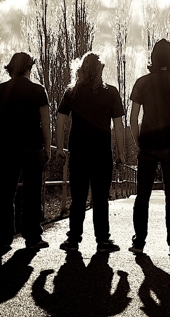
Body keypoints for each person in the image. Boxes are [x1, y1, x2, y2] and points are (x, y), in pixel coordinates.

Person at [129, 39, 170, 255]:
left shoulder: (142, 82)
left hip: (147, 144)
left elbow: (133, 118)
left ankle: (139, 242)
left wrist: (138, 142)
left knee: (143, 195)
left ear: (153, 58)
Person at [56, 52, 125, 253]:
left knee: (78, 197)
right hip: (102, 152)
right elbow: (119, 126)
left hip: (78, 151)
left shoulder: (72, 92)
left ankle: (73, 239)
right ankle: (103, 240)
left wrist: (60, 148)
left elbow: (60, 121)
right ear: (100, 69)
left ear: (81, 69)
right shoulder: (111, 92)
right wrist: (120, 153)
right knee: (100, 197)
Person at [0, 52, 51, 249]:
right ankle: (32, 236)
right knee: (32, 193)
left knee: (6, 192)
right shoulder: (38, 90)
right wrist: (47, 147)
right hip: (33, 147)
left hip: (8, 147)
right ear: (28, 67)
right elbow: (45, 121)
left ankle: (4, 237)